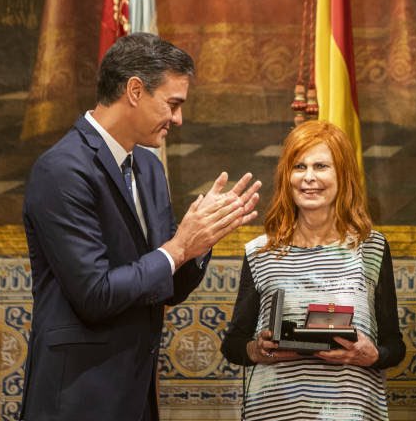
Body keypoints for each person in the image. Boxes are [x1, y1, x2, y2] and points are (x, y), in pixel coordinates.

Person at [20, 32, 261, 421]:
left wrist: (200, 242)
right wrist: (179, 247)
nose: (178, 119)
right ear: (135, 90)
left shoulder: (148, 167)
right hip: (77, 397)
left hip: (137, 396)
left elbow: (164, 287)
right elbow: (94, 295)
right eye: (173, 104)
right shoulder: (63, 169)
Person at [221, 120, 405, 421]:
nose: (309, 178)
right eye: (299, 167)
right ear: (286, 175)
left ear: (342, 174)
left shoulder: (371, 248)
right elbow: (233, 344)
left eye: (321, 166)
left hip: (350, 411)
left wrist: (373, 355)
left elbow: (394, 345)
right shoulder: (260, 251)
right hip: (274, 410)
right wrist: (257, 349)